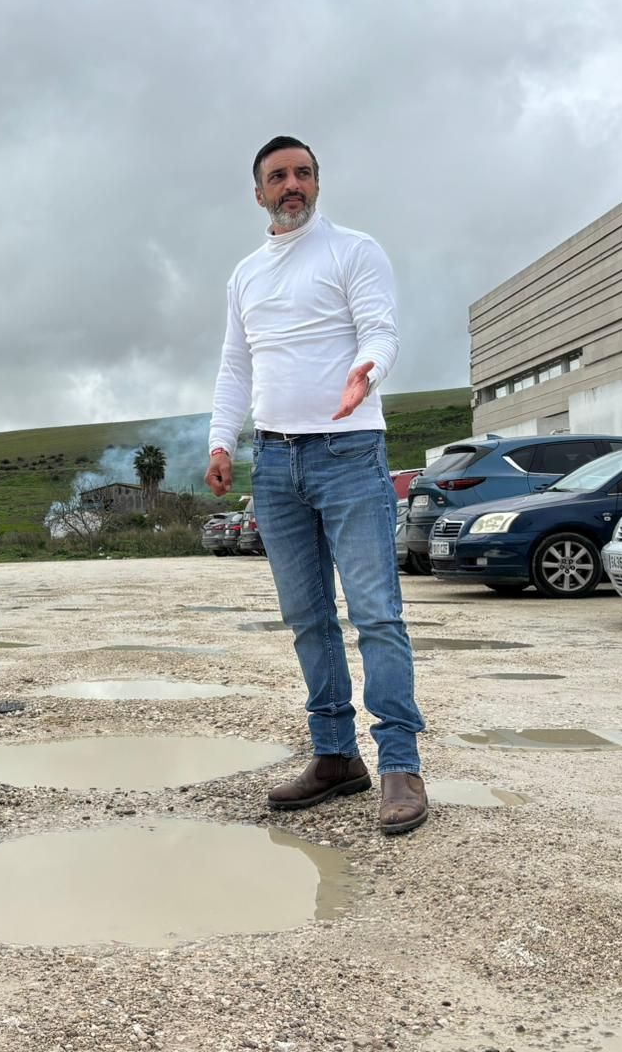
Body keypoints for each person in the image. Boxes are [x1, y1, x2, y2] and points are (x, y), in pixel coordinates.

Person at [206, 135, 429, 835]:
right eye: (278, 176)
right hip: (274, 466)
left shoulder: (353, 251)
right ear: (259, 193)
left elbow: (382, 330)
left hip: (350, 453)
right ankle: (336, 757)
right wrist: (222, 440)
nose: (292, 185)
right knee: (308, 620)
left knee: (376, 615)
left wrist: (366, 370)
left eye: (302, 173)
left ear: (318, 183)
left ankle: (399, 765)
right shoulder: (245, 275)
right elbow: (235, 367)